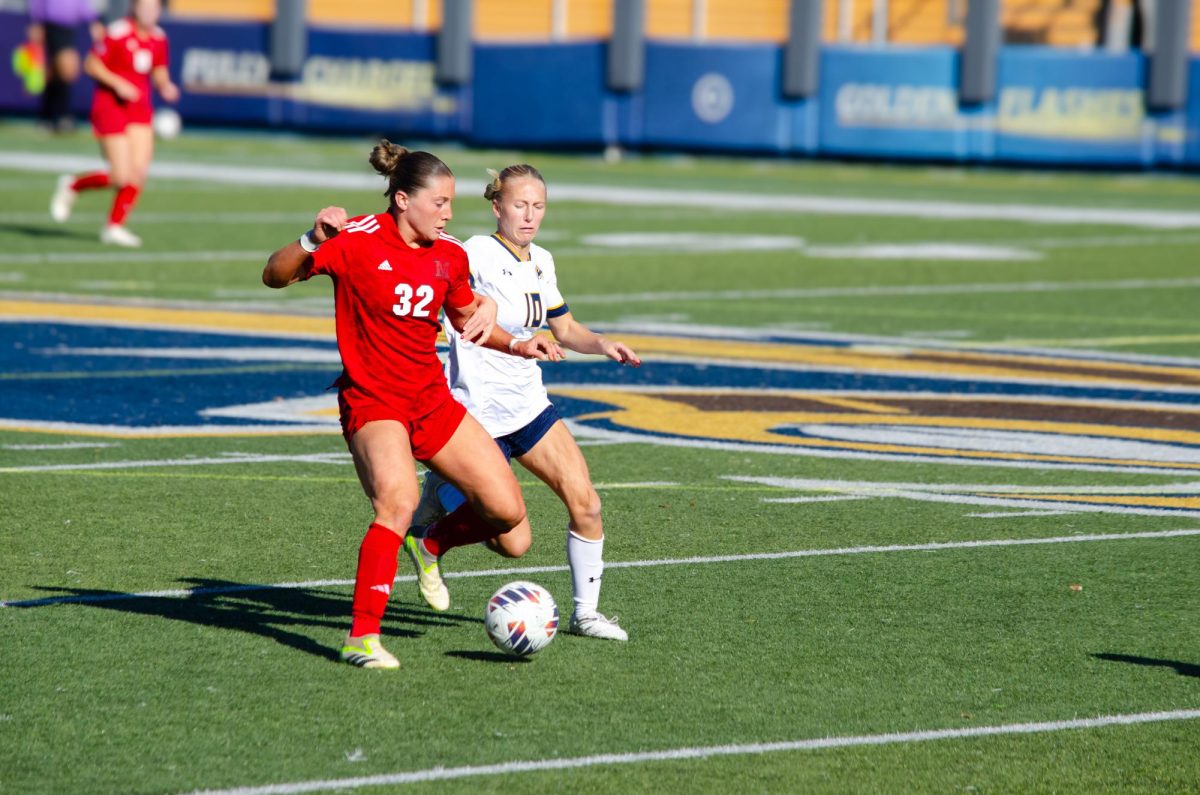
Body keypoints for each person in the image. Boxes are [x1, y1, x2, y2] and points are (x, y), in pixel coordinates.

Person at [262, 141, 564, 669]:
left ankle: (431, 546)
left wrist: (516, 342)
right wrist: (311, 238)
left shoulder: (448, 254)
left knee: (510, 521)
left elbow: (471, 319)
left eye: (450, 203)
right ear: (403, 199)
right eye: (439, 202)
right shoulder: (354, 238)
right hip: (373, 402)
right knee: (396, 504)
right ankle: (362, 637)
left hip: (431, 402)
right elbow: (274, 274)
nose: (448, 214)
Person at [404, 164, 642, 642]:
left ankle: (587, 614)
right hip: (476, 413)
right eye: (519, 205)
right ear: (497, 206)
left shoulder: (542, 261)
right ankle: (432, 529)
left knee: (587, 504)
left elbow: (566, 329)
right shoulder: (473, 252)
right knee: (514, 542)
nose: (529, 216)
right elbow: (438, 283)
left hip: (529, 406)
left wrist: (603, 344)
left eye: (538, 206)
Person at [49, 0, 179, 248]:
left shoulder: (159, 38)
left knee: (138, 172)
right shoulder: (118, 32)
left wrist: (166, 86)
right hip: (111, 107)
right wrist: (118, 83)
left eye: (154, 8)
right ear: (134, 9)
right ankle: (73, 185)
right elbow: (91, 64)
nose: (150, 12)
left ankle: (114, 226)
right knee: (120, 176)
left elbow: (159, 69)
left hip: (140, 109)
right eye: (145, 7)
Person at [27, 0, 103, 133]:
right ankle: (60, 115)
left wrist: (93, 21)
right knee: (64, 68)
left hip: (71, 26)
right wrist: (36, 22)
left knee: (59, 72)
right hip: (52, 25)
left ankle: (50, 116)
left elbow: (82, 4)